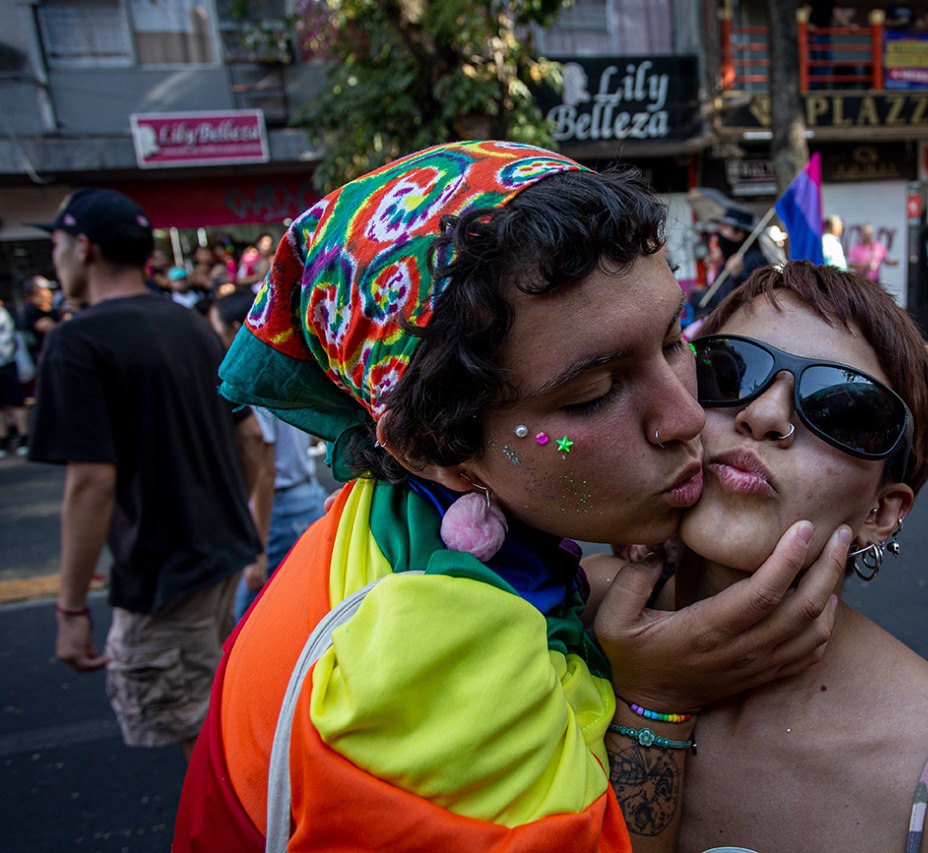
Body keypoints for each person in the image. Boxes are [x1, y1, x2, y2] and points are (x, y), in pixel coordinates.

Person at [173, 142, 847, 852]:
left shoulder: (392, 515)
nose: (684, 415)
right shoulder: (428, 658)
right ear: (436, 452)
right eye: (593, 394)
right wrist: (659, 699)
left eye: (676, 339)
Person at [590, 262, 928, 852]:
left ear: (881, 511)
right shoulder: (556, 608)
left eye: (842, 408)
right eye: (729, 368)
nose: (766, 416)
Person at [26, 188, 265, 754]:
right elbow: (250, 438)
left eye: (56, 241)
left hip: (163, 579)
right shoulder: (190, 327)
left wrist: (70, 607)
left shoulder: (77, 341)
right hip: (220, 559)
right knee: (231, 735)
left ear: (82, 247)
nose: (54, 256)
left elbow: (90, 483)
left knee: (200, 755)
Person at [209, 291, 329, 622]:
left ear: (237, 328)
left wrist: (257, 552)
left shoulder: (249, 382)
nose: (217, 342)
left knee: (247, 620)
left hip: (277, 510)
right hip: (307, 496)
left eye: (218, 332)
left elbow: (264, 470)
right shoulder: (285, 367)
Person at [704, 206, 769, 313]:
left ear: (739, 234)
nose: (719, 231)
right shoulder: (729, 260)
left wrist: (738, 276)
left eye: (725, 227)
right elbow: (715, 299)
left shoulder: (754, 259)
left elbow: (757, 297)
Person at [0, 298, 32, 456]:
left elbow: (7, 342)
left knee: (15, 401)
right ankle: (3, 440)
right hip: (6, 362)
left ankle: (24, 436)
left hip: (6, 364)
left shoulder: (3, 315)